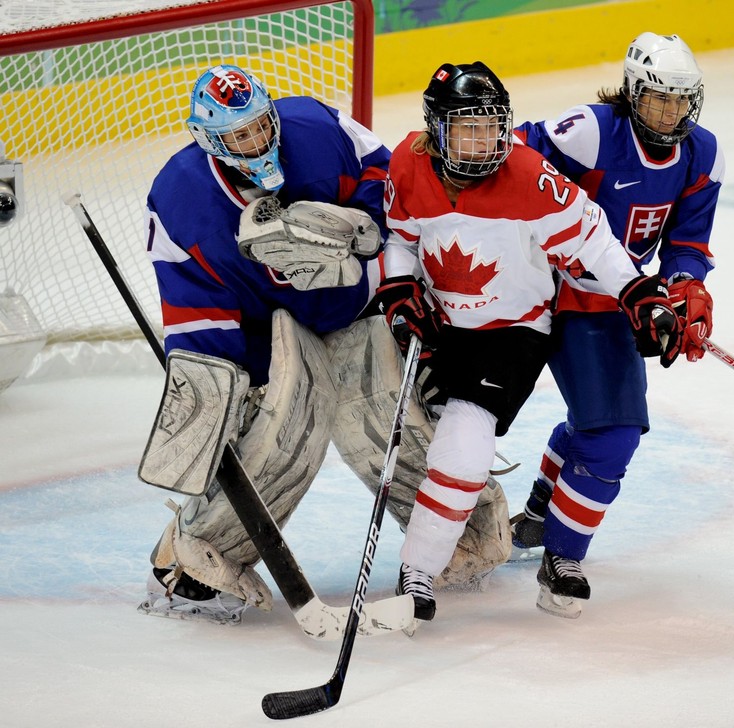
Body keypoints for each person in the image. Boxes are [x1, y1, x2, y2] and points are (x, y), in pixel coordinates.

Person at [374, 60, 684, 623]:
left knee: (464, 453)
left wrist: (639, 290)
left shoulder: (530, 177)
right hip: (443, 328)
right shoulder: (408, 163)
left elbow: (594, 239)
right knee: (433, 443)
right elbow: (401, 235)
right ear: (436, 129)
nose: (483, 140)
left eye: (491, 126)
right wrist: (397, 284)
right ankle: (428, 560)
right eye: (467, 128)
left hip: (512, 334)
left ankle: (416, 572)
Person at [138, 63, 392, 623]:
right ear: (208, 140)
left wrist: (371, 220)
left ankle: (454, 539)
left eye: (259, 126)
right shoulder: (183, 199)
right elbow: (193, 300)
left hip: (356, 303)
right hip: (267, 332)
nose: (255, 142)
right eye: (237, 136)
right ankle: (198, 554)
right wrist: (233, 383)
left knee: (395, 424)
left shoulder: (318, 128)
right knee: (279, 436)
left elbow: (382, 168)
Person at [510, 33, 724, 616]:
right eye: (658, 99)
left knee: (607, 426)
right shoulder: (590, 131)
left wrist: (685, 289)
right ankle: (555, 549)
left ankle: (545, 530)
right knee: (609, 433)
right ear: (633, 93)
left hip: (613, 300)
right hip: (535, 288)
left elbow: (685, 243)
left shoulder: (702, 155)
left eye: (682, 101)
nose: (670, 112)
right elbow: (508, 161)